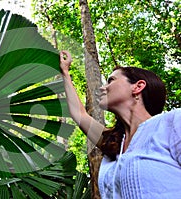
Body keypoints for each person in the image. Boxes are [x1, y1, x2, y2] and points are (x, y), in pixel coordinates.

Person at [59, 50, 181, 198]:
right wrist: (65, 72)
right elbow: (79, 114)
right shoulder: (113, 142)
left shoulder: (172, 123)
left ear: (137, 86)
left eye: (111, 80)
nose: (102, 88)